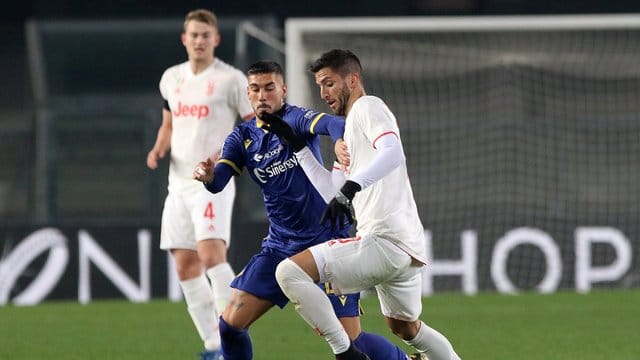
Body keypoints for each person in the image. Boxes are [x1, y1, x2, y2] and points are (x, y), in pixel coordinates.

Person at [193, 60, 418, 360]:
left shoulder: (295, 118)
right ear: (247, 93)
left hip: (326, 243)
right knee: (230, 325)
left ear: (283, 90)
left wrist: (340, 139)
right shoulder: (242, 138)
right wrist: (207, 175)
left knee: (352, 342)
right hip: (279, 246)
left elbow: (332, 123)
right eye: (256, 89)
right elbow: (218, 182)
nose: (263, 96)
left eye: (270, 88)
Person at [272, 49, 462, 360]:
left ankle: (346, 353)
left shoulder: (368, 107)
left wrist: (351, 186)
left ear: (353, 79)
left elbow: (393, 152)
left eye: (329, 83)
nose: (323, 93)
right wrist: (298, 148)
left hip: (384, 241)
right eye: (319, 86)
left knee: (289, 273)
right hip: (405, 248)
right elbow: (331, 190)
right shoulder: (349, 131)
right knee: (406, 328)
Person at [146, 9, 254, 360]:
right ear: (184, 39)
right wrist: (159, 148)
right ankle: (213, 345)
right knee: (185, 265)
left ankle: (232, 335)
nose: (199, 40)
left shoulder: (231, 79)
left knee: (211, 256)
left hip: (212, 182)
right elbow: (168, 124)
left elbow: (252, 124)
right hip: (177, 183)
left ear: (215, 40)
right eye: (193, 35)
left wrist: (233, 158)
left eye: (205, 35)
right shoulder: (171, 78)